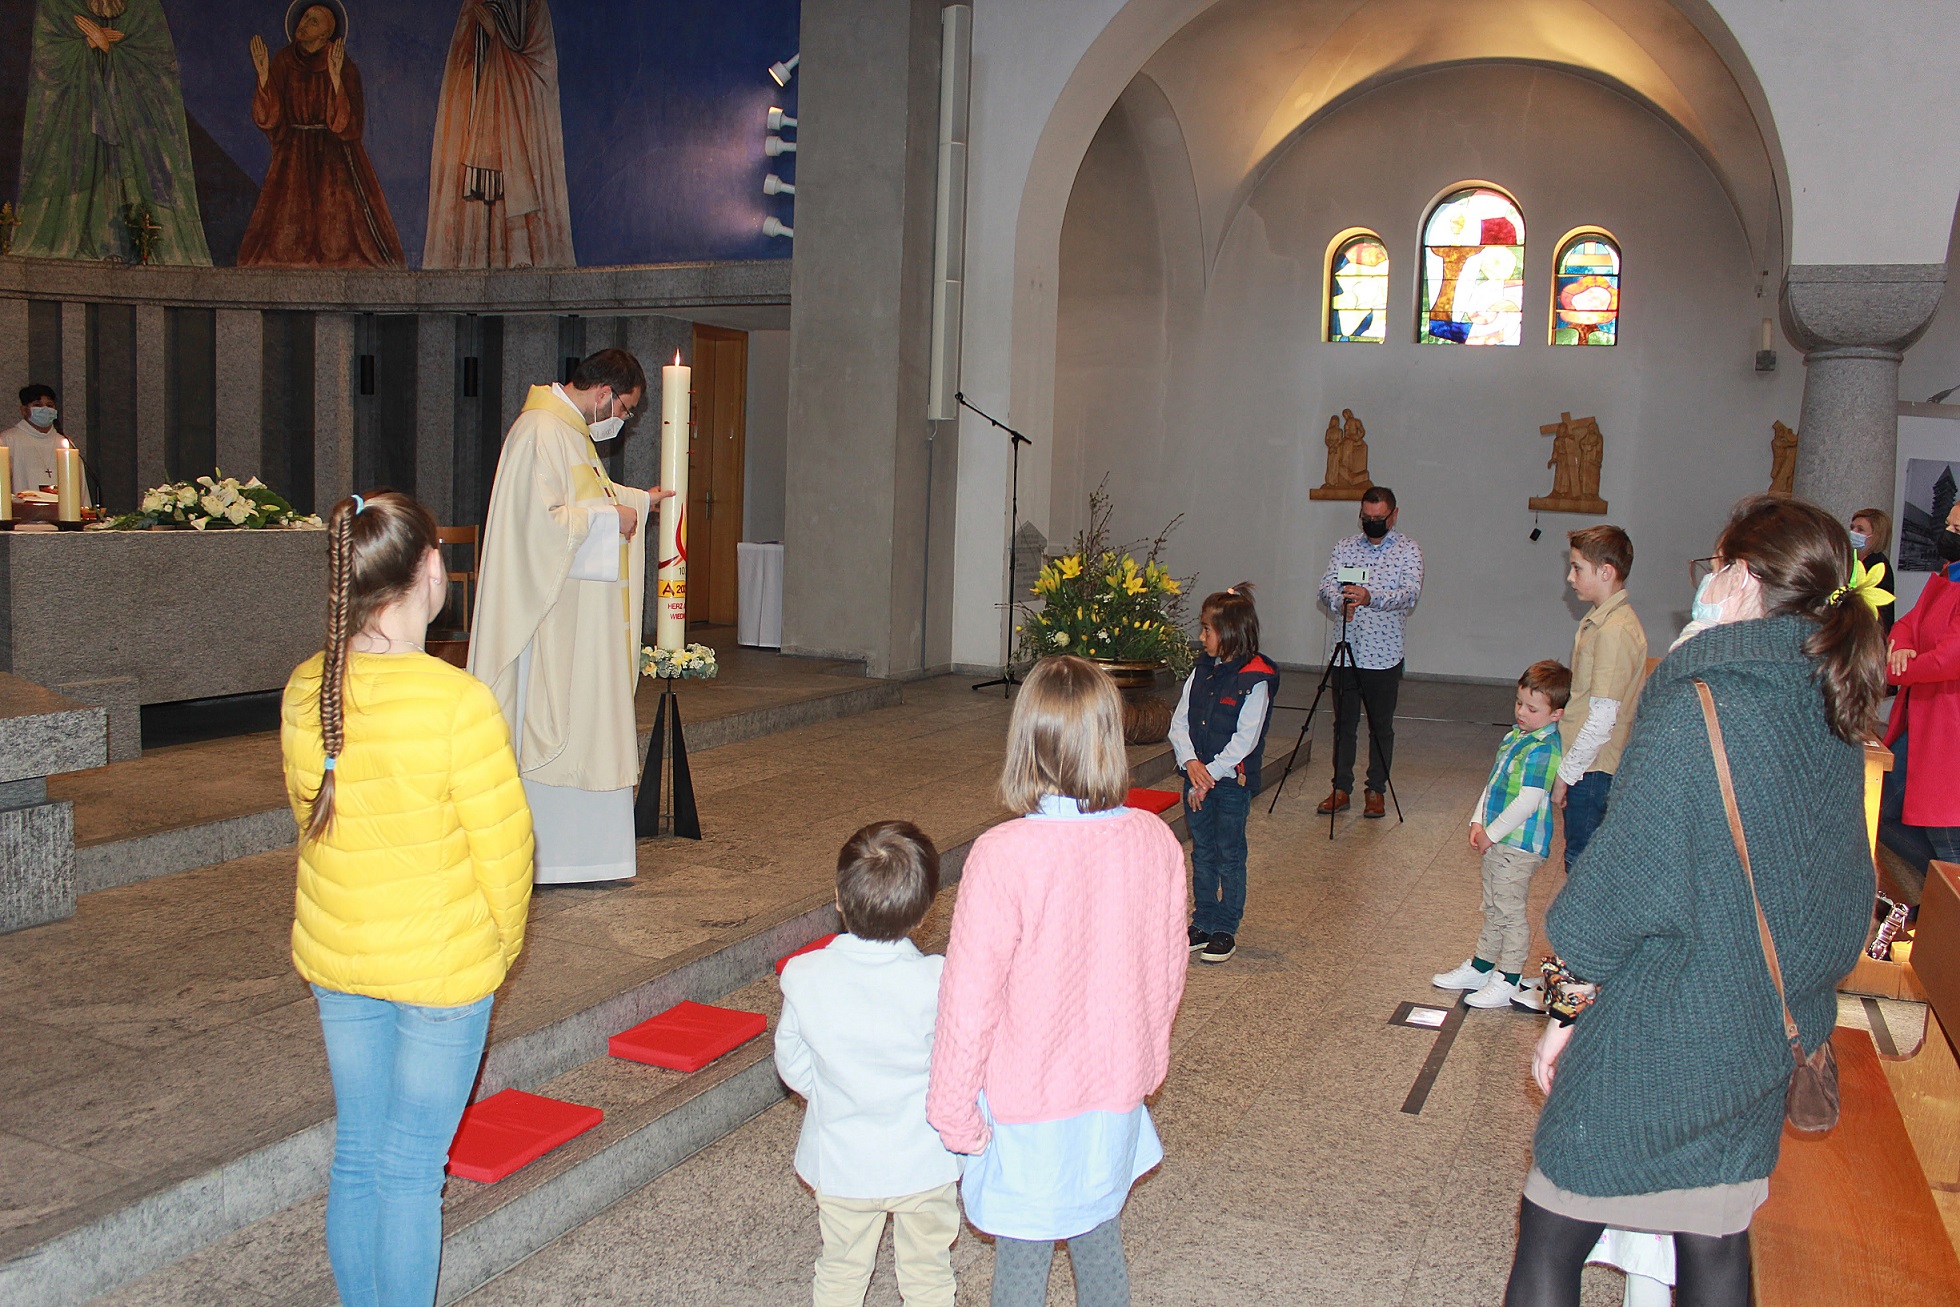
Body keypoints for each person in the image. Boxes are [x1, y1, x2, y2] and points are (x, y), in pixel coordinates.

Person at [1505, 495, 1881, 1307]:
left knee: (1551, 1226)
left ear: (1741, 579)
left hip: (1663, 1033)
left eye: (1714, 566)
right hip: (1764, 1033)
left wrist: (1563, 1012)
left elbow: (1616, 892)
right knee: (1713, 1239)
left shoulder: (1699, 701)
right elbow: (1847, 893)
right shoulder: (1832, 704)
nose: (1704, 582)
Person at [281, 491, 534, 1307]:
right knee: (411, 1169)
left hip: (340, 958)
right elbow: (506, 856)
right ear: (432, 569)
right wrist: (496, 952)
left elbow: (312, 821)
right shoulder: (457, 702)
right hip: (439, 971)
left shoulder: (307, 687)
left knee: (359, 1153)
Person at [926, 656, 1187, 1307]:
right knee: (1099, 1232)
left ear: (1026, 742)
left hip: (1029, 1100)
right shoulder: (1153, 838)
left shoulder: (1003, 853)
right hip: (1113, 1089)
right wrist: (1148, 1062)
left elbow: (969, 1000)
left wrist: (952, 1108)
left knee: (1023, 1254)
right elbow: (1167, 969)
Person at [468, 348, 672, 884]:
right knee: (553, 725)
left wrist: (639, 502)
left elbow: (589, 498)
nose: (621, 420)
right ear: (604, 393)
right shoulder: (539, 432)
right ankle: (552, 857)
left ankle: (588, 854)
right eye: (624, 409)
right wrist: (611, 520)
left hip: (579, 623)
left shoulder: (569, 433)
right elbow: (540, 527)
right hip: (551, 627)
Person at [775, 821, 961, 1307]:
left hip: (842, 1162)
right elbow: (956, 1062)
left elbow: (791, 1062)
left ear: (838, 898)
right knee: (928, 1271)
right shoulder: (937, 979)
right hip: (924, 1160)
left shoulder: (805, 975)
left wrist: (829, 1089)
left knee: (840, 1267)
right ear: (925, 912)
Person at [14, 0, 211, 265]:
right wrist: (89, 43)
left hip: (129, 136)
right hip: (77, 131)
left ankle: (131, 241)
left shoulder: (144, 8)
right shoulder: (57, 5)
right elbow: (47, 59)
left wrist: (110, 49)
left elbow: (157, 67)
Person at [1431, 659, 1568, 1009]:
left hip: (1518, 845)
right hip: (1498, 840)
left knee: (1509, 912)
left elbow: (1528, 801)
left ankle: (1508, 978)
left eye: (1532, 709)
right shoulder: (1515, 738)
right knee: (1493, 905)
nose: (1522, 712)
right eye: (1519, 703)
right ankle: (1482, 967)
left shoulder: (1543, 748)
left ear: (1556, 714)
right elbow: (1493, 784)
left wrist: (1491, 833)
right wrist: (1477, 821)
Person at [240, 3, 406, 268]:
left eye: (313, 21)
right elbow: (268, 118)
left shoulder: (342, 65)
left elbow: (347, 126)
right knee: (282, 242)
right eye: (305, 17)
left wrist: (336, 78)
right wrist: (263, 75)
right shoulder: (283, 60)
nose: (304, 24)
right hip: (293, 157)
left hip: (332, 157)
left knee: (339, 241)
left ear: (325, 34)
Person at [1169, 583, 1278, 964]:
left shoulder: (1255, 679)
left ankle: (1225, 927)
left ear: (1229, 633)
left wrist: (1208, 774)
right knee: (1202, 852)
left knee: (1229, 854)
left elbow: (1245, 740)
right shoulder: (1201, 670)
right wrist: (1190, 763)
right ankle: (1202, 920)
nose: (1201, 638)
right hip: (1197, 777)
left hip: (1230, 783)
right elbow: (1179, 722)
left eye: (1207, 630)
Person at [423, 0, 576, 269]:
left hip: (519, 128)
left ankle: (520, 253)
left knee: (514, 184)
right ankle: (476, 254)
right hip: (481, 125)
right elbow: (460, 71)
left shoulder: (533, 5)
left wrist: (498, 37)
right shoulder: (474, 6)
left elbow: (541, 68)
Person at [1315, 485, 1423, 817]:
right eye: (1366, 516)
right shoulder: (1345, 547)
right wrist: (1340, 602)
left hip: (1384, 654)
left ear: (1394, 515)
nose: (1371, 522)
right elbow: (1325, 586)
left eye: (1379, 517)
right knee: (1343, 725)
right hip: (1346, 651)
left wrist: (1370, 597)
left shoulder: (1408, 550)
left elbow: (1410, 594)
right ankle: (1340, 788)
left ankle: (1376, 789)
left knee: (1380, 727)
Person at [1553, 527, 1648, 875]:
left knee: (1583, 866)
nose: (1570, 577)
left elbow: (1603, 717)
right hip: (1588, 765)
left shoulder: (1614, 630)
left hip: (1594, 769)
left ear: (1606, 572)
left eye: (1577, 568)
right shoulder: (1601, 621)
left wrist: (1567, 773)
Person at [1879, 495, 1960, 878]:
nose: (1948, 533)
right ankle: (1942, 894)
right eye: (1948, 525)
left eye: (1957, 530)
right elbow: (1906, 624)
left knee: (1947, 834)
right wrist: (1900, 650)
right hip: (1925, 723)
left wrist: (1898, 671)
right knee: (1882, 810)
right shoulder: (1947, 575)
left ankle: (1945, 899)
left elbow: (1949, 658)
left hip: (1949, 731)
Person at [1, 384, 91, 503]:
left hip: (61, 513)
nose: (45, 409)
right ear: (24, 410)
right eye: (37, 405)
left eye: (49, 405)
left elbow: (80, 487)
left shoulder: (65, 443)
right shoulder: (8, 440)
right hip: (23, 512)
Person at [1849, 507, 1895, 634]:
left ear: (1876, 536)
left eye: (1860, 529)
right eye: (1852, 528)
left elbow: (1881, 614)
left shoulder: (1879, 565)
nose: (1853, 532)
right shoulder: (1850, 559)